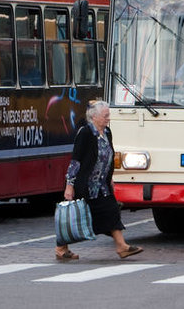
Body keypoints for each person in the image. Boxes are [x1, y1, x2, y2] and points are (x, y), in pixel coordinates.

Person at [55, 100, 143, 261]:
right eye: (105, 116)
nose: (108, 118)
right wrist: (70, 185)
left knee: (111, 211)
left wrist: (110, 178)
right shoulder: (85, 133)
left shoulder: (107, 133)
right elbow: (76, 161)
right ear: (94, 117)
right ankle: (61, 248)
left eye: (108, 115)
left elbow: (108, 156)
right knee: (80, 217)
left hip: (101, 185)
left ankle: (121, 246)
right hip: (86, 185)